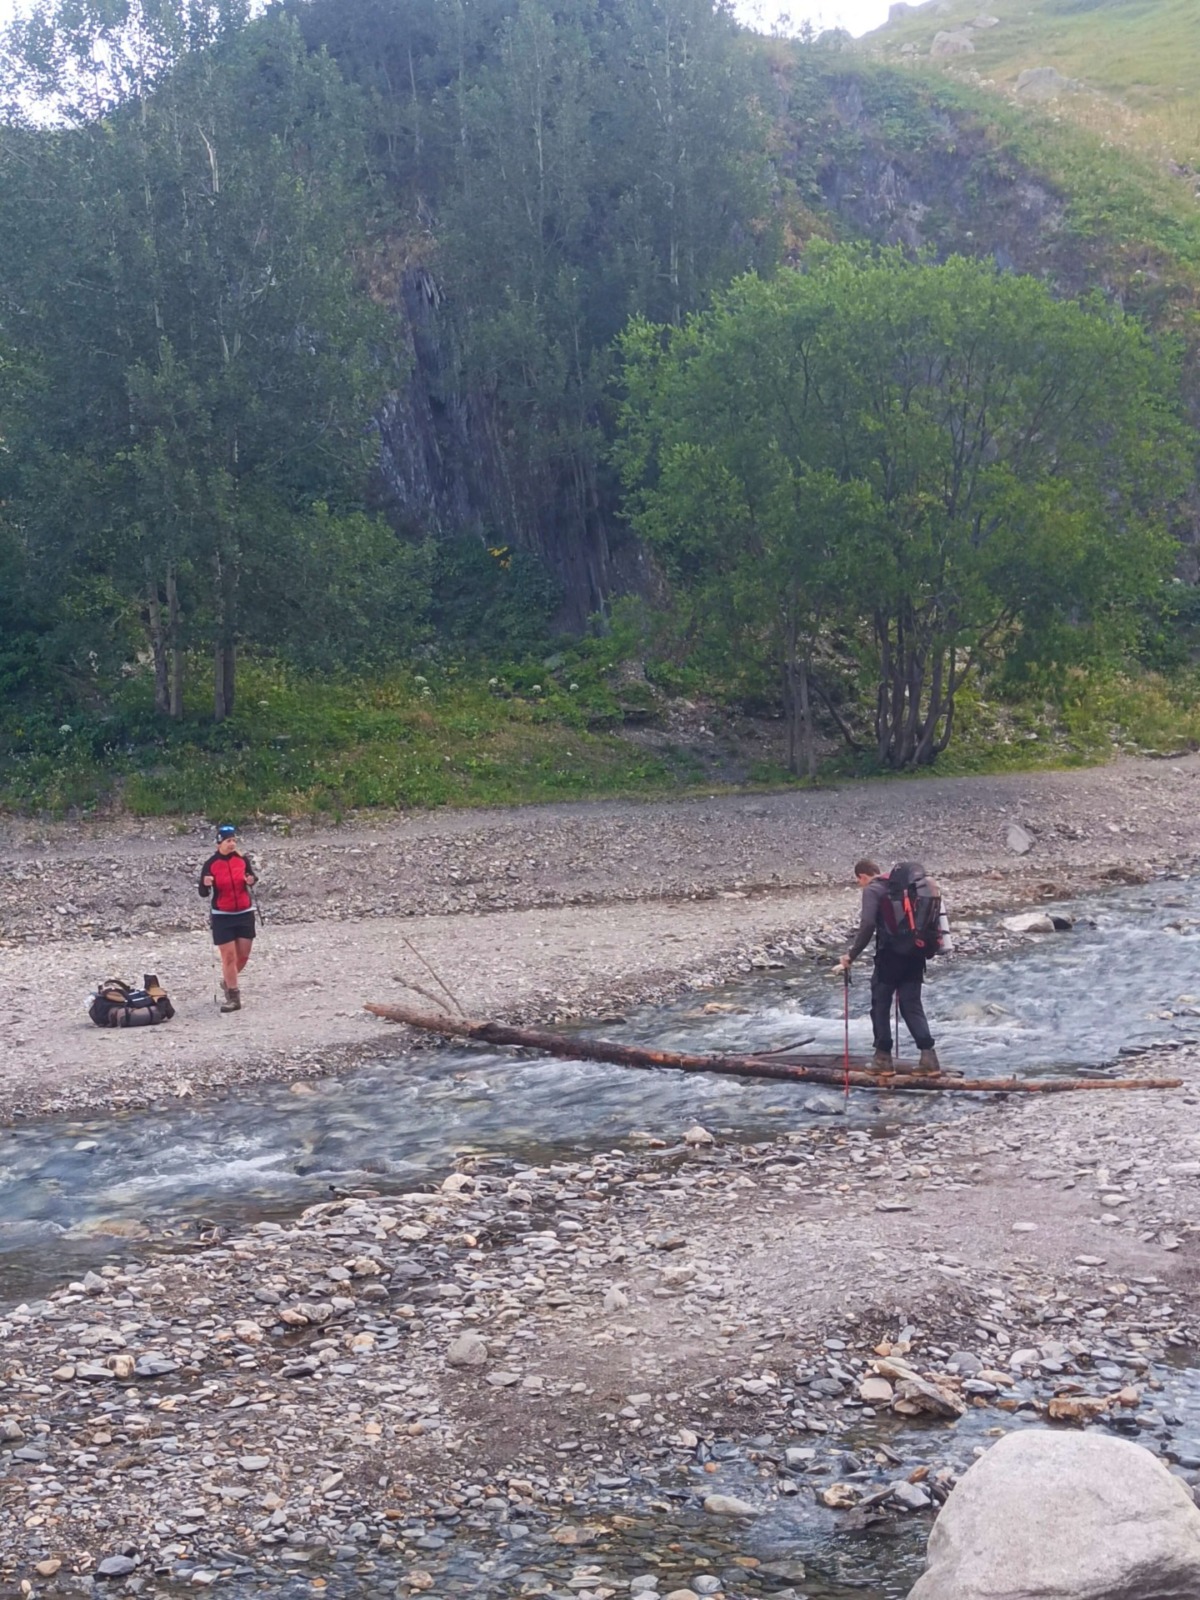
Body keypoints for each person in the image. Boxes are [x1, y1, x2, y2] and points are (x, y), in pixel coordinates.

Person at [839, 858, 940, 1074]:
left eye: (859, 881)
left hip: (890, 956)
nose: (861, 885)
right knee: (911, 1005)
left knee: (880, 1005)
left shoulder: (873, 890)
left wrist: (852, 955)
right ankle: (929, 1059)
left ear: (863, 876)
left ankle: (883, 1060)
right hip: (915, 953)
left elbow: (867, 924)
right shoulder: (905, 888)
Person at [199, 823, 257, 1013]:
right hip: (222, 916)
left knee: (244, 956)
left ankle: (227, 981)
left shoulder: (242, 860)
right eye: (228, 841)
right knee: (229, 956)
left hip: (244, 913)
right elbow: (203, 892)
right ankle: (233, 996)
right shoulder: (211, 864)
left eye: (233, 840)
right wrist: (206, 883)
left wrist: (251, 880)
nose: (232, 844)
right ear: (219, 843)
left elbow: (251, 876)